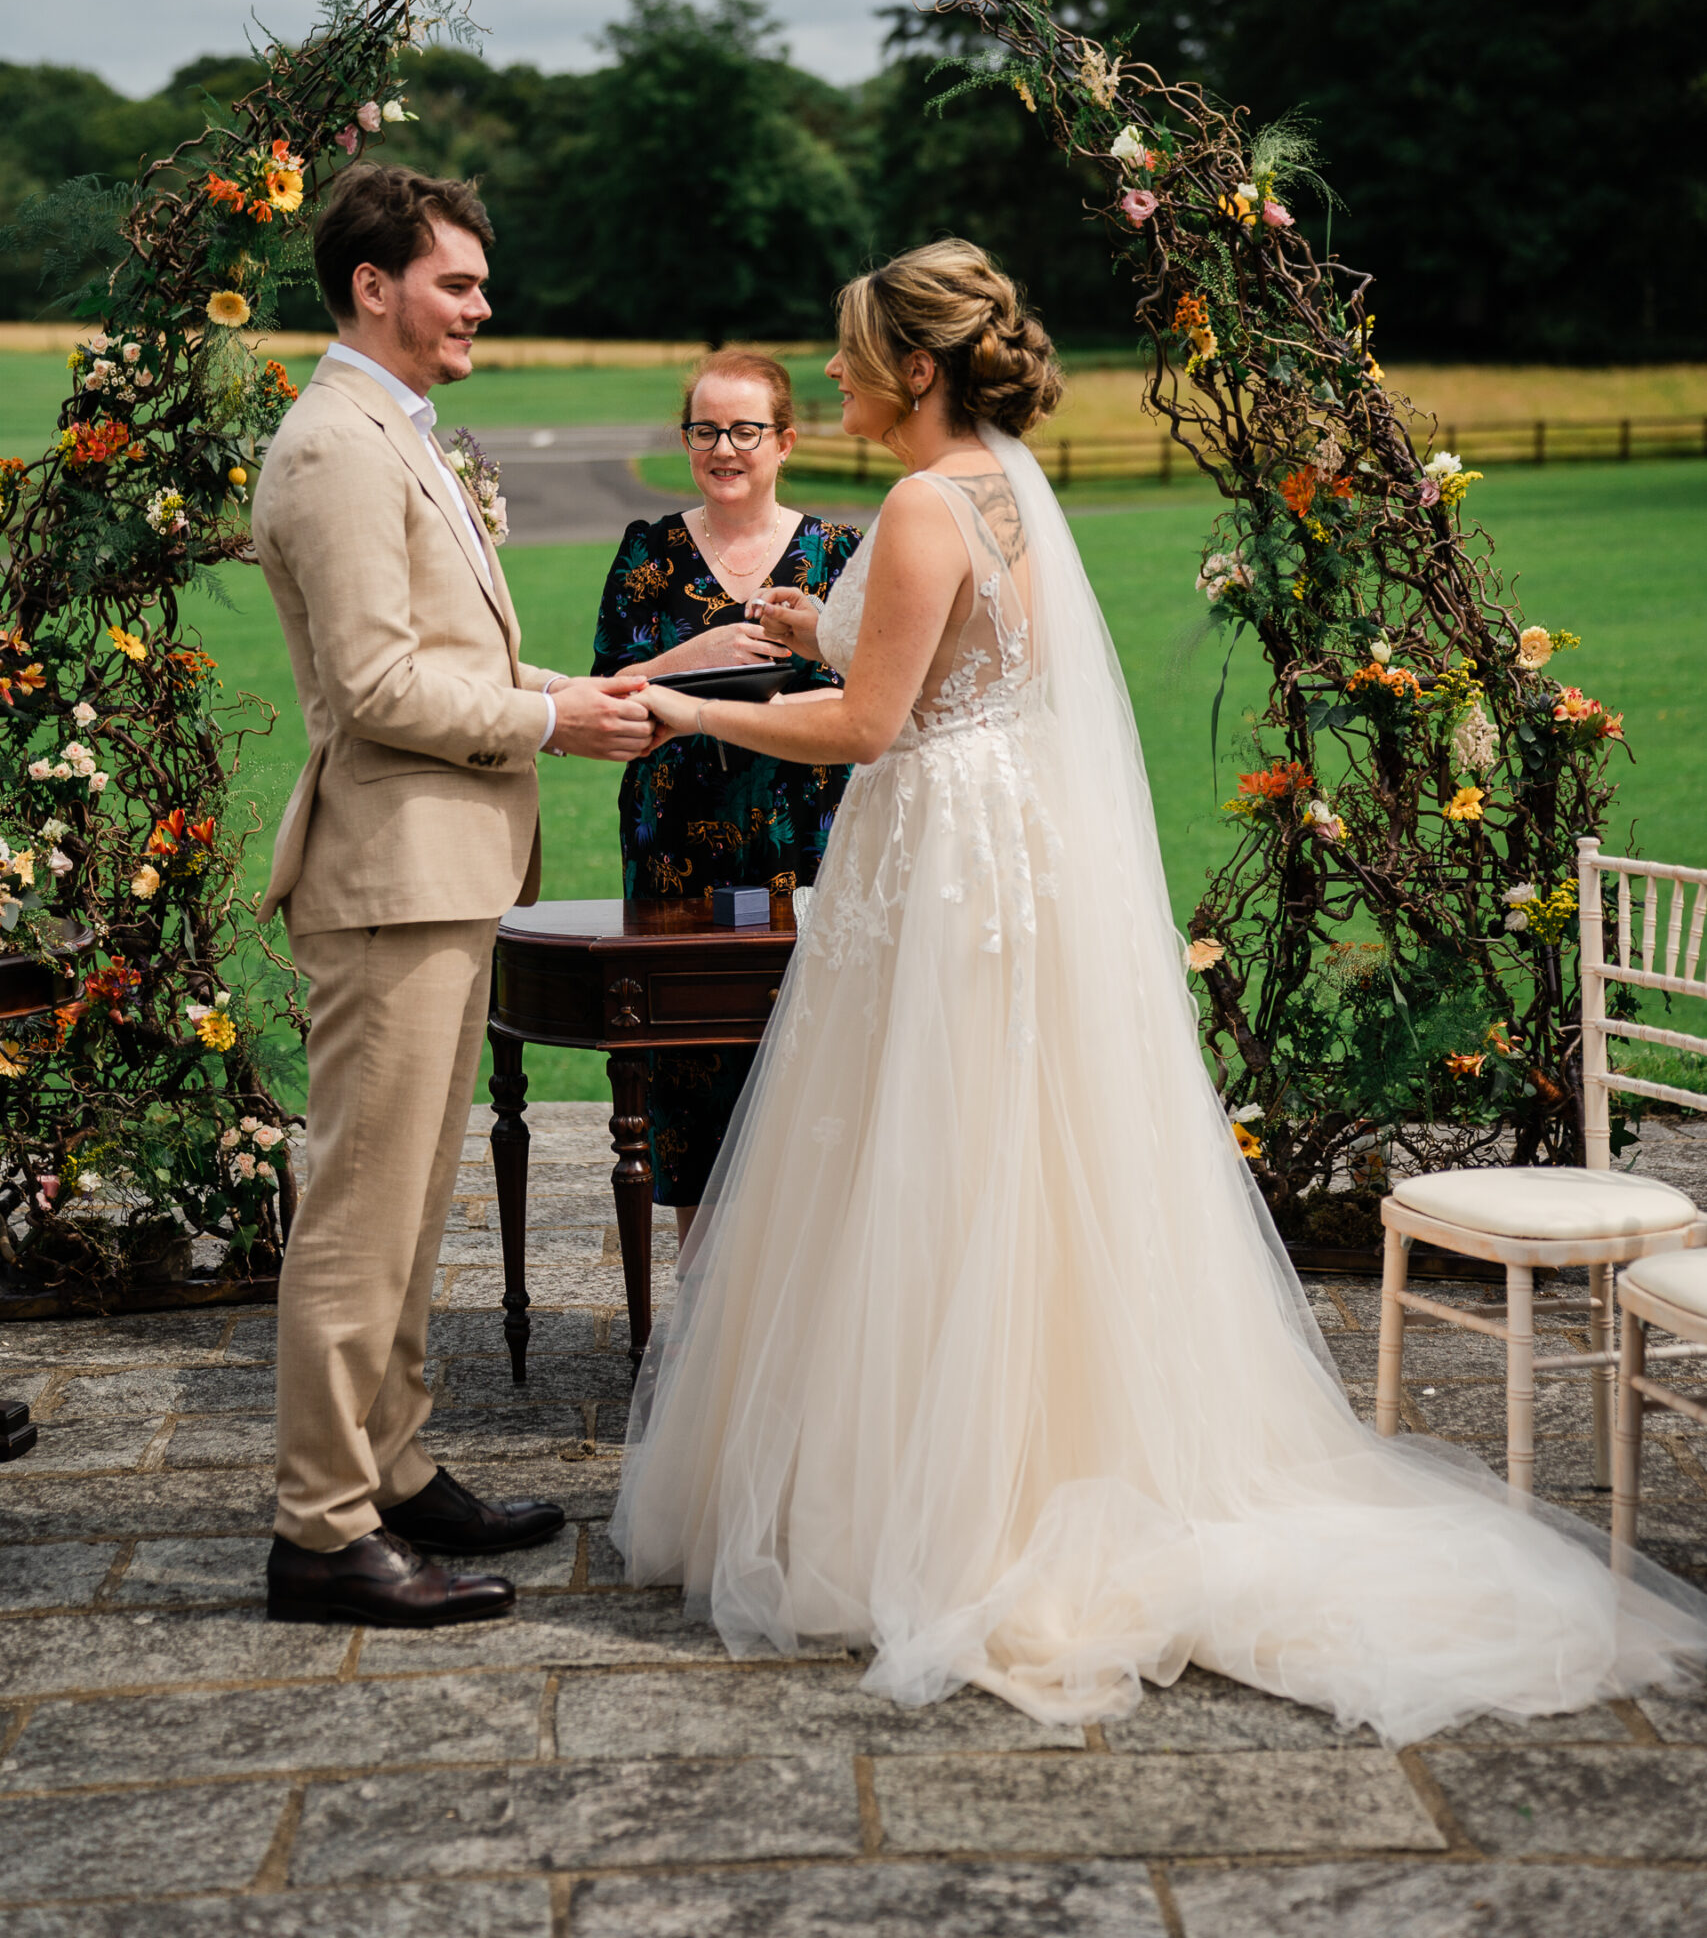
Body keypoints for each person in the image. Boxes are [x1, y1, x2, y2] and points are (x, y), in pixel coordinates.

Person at [611, 238, 1707, 1741]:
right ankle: (1026, 1451)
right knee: (1003, 1152)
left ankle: (944, 1507)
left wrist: (682, 707)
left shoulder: (928, 500)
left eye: (851, 354)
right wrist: (826, 626)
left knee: (927, 1151)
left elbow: (874, 725)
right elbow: (971, 666)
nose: (833, 376)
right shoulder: (1004, 482)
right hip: (1003, 853)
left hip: (940, 856)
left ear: (914, 370)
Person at [252, 165, 657, 1630]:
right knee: (359, 1215)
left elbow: (460, 658)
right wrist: (553, 725)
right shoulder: (336, 449)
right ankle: (319, 1527)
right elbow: (373, 687)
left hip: (442, 870)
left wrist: (578, 692)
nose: (484, 305)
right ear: (374, 286)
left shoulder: (396, 434)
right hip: (385, 879)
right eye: (459, 283)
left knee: (412, 1205)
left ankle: (394, 1464)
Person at [591, 349, 860, 1240]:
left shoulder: (837, 554)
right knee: (690, 1069)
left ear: (784, 441)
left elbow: (879, 696)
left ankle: (806, 1299)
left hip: (805, 849)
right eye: (705, 429)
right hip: (676, 857)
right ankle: (703, 1320)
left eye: (746, 430)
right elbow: (604, 699)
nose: (724, 448)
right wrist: (689, 658)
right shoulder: (648, 551)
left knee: (812, 1054)